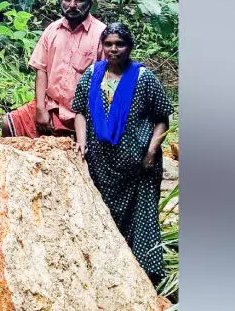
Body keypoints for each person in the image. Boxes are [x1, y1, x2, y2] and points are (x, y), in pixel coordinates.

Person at [71, 22, 174, 285]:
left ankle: (145, 278)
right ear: (102, 46)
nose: (113, 49)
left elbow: (163, 118)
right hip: (102, 165)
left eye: (120, 44)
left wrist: (151, 152)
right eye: (108, 44)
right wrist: (81, 142)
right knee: (104, 217)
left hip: (138, 168)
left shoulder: (143, 78)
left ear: (129, 47)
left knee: (141, 219)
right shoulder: (93, 74)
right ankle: (107, 275)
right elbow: (80, 110)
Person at [2, 0, 105, 138]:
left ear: (89, 2)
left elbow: (109, 82)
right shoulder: (52, 30)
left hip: (81, 114)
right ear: (62, 1)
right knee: (8, 124)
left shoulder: (102, 34)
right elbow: (41, 70)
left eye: (79, 0)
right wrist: (41, 109)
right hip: (50, 106)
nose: (72, 4)